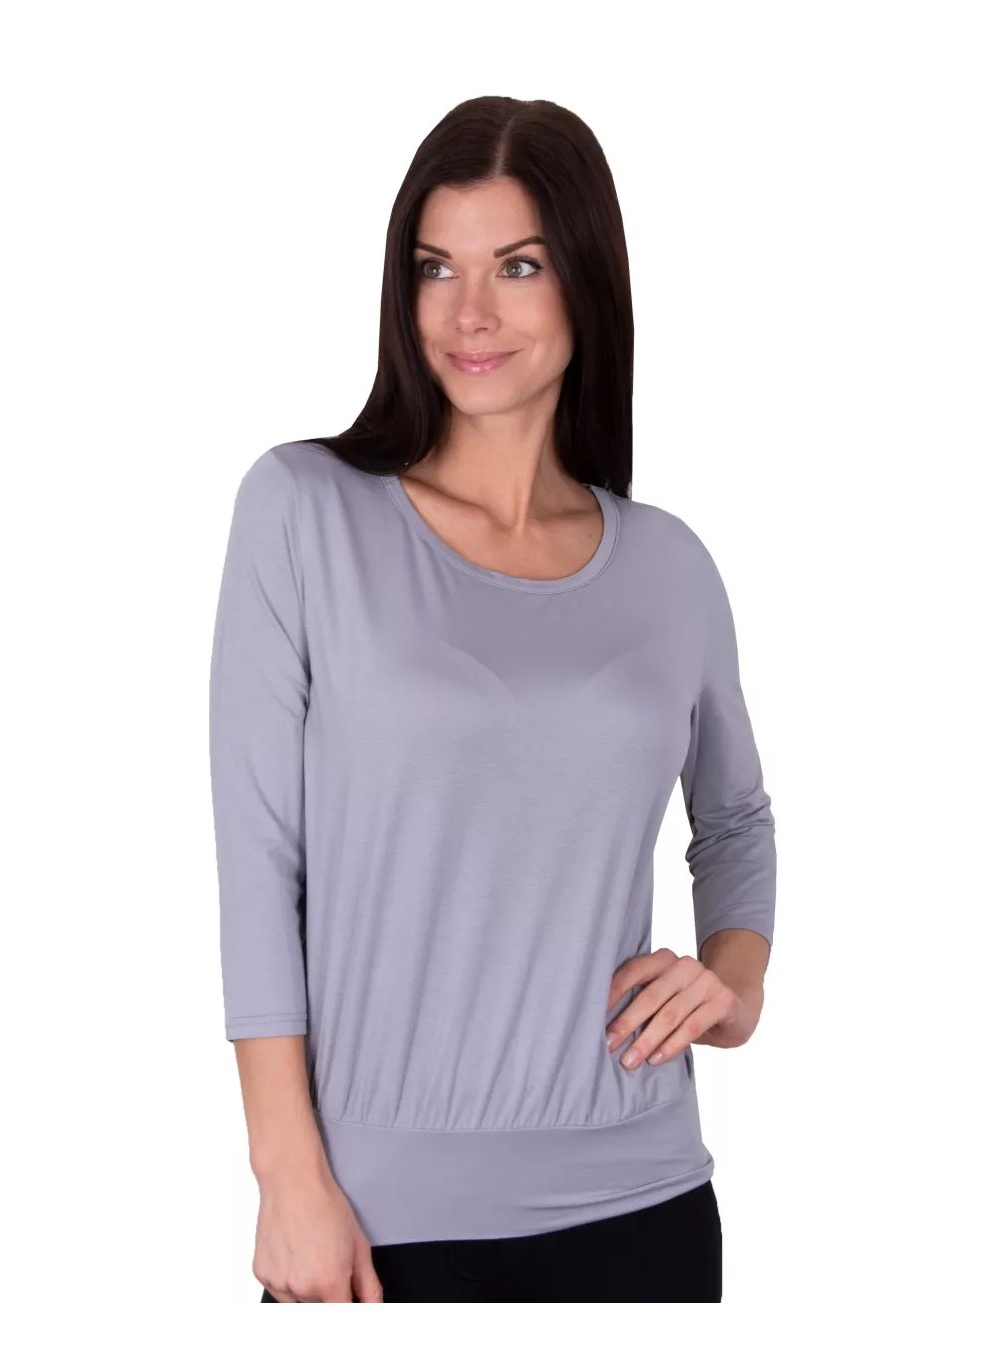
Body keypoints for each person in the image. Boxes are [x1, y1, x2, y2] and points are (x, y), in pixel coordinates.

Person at [208, 95, 776, 1304]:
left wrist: (733, 986)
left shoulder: (668, 566)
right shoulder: (304, 512)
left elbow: (734, 821)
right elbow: (259, 861)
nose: (469, 313)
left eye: (517, 266)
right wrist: (285, 1176)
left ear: (585, 280)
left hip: (645, 1202)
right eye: (436, 268)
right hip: (374, 1218)